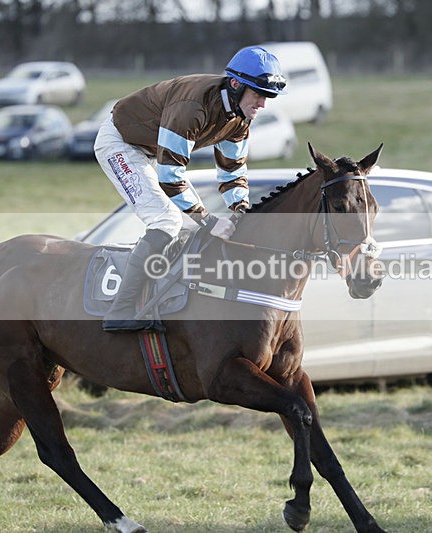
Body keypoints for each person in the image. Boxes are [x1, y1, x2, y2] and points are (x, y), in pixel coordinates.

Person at [94, 46, 287, 332]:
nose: (263, 104)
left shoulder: (239, 117)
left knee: (189, 224)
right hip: (120, 143)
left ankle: (164, 295)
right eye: (258, 94)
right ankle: (120, 309)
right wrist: (209, 220)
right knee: (167, 220)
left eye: (268, 97)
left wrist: (241, 209)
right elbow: (170, 176)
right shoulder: (192, 107)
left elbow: (232, 172)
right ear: (236, 85)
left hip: (150, 149)